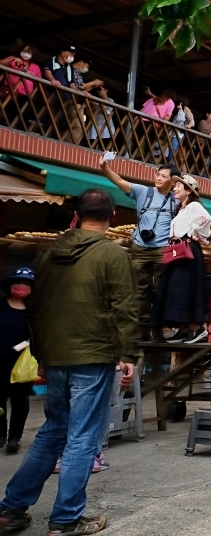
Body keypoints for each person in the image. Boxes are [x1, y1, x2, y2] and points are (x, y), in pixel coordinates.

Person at [0, 189, 137, 536]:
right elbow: (125, 308)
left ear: (76, 215)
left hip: (56, 355)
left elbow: (34, 309)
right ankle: (64, 520)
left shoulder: (47, 254)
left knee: (52, 432)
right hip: (93, 354)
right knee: (81, 438)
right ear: (112, 217)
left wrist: (41, 354)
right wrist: (128, 354)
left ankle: (12, 508)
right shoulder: (111, 253)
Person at [100, 157, 180, 340]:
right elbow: (119, 181)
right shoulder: (144, 192)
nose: (158, 178)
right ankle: (142, 328)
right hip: (140, 248)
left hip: (163, 249)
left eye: (164, 176)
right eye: (158, 174)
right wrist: (104, 167)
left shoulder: (176, 200)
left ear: (173, 181)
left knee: (160, 290)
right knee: (140, 290)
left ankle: (157, 327)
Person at [150, 174, 211, 343]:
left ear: (188, 190)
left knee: (185, 287)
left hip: (187, 249)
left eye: (178, 186)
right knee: (178, 288)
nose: (175, 188)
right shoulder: (182, 208)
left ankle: (195, 329)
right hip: (179, 250)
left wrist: (191, 232)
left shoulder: (194, 206)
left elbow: (207, 218)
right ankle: (184, 328)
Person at [0, 268, 34, 455]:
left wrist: (25, 344)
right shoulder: (1, 306)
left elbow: (37, 334)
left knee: (20, 401)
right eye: (19, 283)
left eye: (27, 284)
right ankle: (0, 435)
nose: (22, 287)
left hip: (22, 364)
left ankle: (14, 438)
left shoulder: (32, 312)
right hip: (0, 361)